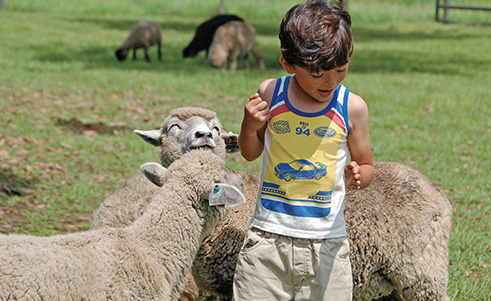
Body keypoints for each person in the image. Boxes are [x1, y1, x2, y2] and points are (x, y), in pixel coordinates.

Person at [233, 1, 374, 300]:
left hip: (327, 244)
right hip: (267, 241)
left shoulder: (352, 107)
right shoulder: (271, 93)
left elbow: (367, 164)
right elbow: (250, 153)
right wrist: (248, 126)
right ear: (288, 64)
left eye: (341, 69)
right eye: (319, 73)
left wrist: (359, 175)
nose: (331, 81)